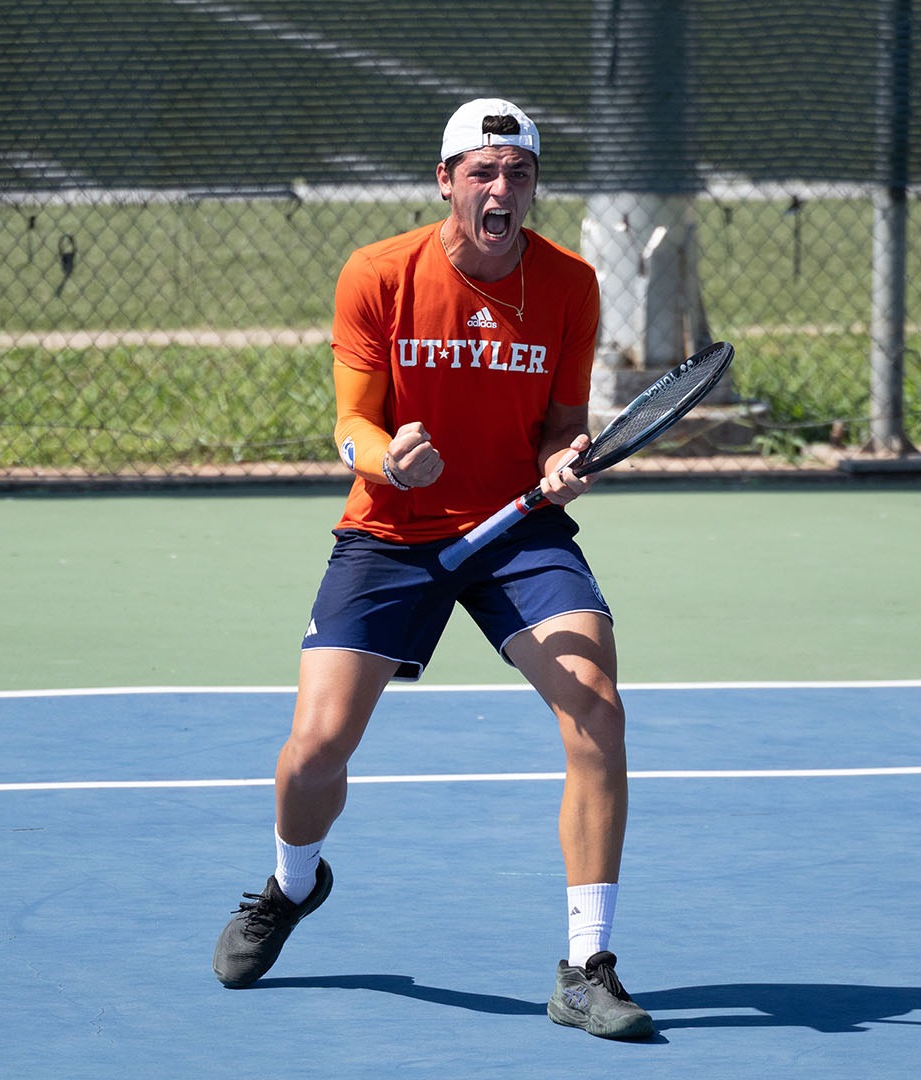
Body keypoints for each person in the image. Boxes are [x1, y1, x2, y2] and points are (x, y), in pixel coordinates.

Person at [209, 98, 654, 1041]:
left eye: (519, 174)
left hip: (514, 536)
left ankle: (588, 966)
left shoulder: (569, 285)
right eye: (483, 172)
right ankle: (292, 886)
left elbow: (560, 422)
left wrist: (565, 458)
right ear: (446, 179)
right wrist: (388, 457)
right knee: (315, 753)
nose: (502, 190)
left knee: (596, 707)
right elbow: (352, 424)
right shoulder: (377, 274)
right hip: (392, 530)